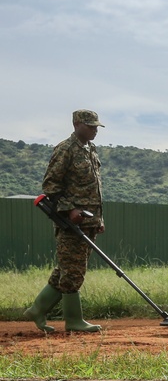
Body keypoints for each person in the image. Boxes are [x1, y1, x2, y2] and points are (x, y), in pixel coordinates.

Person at [24, 110, 106, 333]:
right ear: (77, 124)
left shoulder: (90, 150)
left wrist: (99, 218)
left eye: (97, 126)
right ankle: (73, 320)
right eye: (90, 126)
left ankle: (37, 309)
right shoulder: (65, 149)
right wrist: (70, 210)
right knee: (73, 271)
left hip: (89, 221)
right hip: (72, 222)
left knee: (67, 269)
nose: (95, 129)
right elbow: (51, 185)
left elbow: (94, 190)